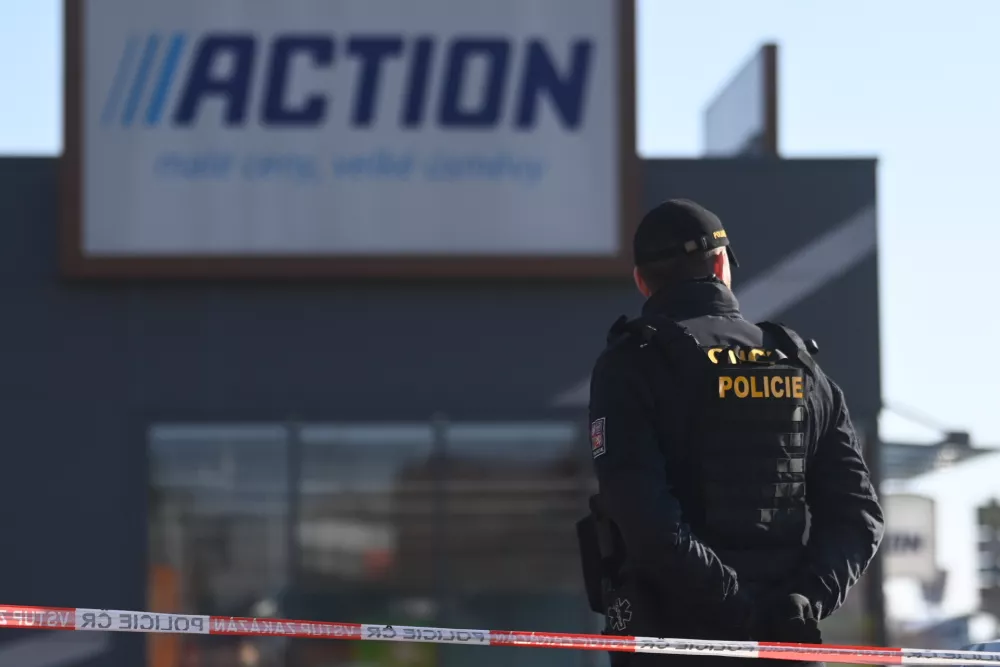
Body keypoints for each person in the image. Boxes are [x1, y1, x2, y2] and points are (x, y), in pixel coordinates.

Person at [576, 199, 885, 667]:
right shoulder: (801, 367)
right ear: (722, 264)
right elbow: (858, 514)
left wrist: (736, 609)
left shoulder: (631, 365)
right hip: (786, 645)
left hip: (674, 645)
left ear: (641, 279)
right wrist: (803, 601)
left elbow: (642, 515)